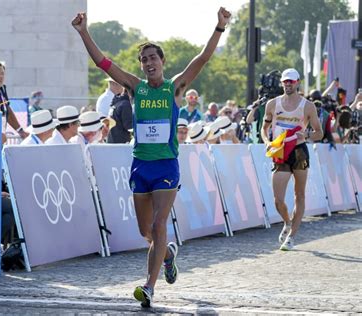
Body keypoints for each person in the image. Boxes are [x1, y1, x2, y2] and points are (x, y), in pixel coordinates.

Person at [72, 7, 231, 308]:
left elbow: (202, 59)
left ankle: (149, 287)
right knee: (146, 232)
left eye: (153, 58)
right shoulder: (135, 87)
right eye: (144, 59)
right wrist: (83, 32)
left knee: (160, 224)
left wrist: (219, 27)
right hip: (140, 165)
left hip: (166, 166)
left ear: (162, 61)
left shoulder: (175, 88)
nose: (148, 63)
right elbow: (103, 63)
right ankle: (167, 254)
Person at [261, 68, 322, 251]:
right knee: (278, 199)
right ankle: (287, 222)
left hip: (299, 151)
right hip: (280, 151)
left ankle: (292, 237)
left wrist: (307, 134)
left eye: (291, 82)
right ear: (282, 83)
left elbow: (320, 133)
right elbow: (264, 129)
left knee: (299, 194)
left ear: (297, 83)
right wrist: (267, 142)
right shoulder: (272, 104)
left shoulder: (307, 106)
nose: (288, 84)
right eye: (285, 82)